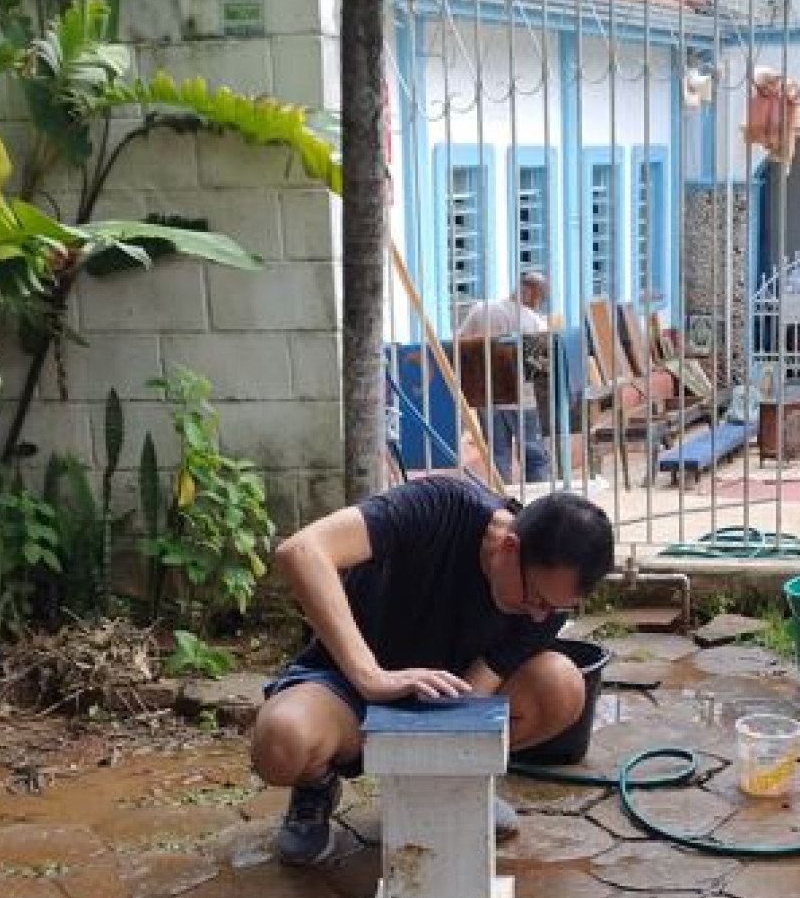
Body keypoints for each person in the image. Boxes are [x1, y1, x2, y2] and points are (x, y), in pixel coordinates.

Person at [250, 477, 616, 865]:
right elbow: (302, 550)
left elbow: (476, 689)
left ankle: (455, 786)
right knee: (280, 740)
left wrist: (451, 750)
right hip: (348, 688)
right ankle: (315, 787)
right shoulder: (439, 505)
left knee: (562, 686)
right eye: (536, 599)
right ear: (510, 548)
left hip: (442, 701)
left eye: (554, 609)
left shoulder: (543, 605)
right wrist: (371, 676)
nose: (540, 615)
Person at [457, 269, 552, 485]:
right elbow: (542, 369)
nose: (539, 303)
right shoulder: (535, 322)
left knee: (498, 454)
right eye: (540, 298)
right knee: (533, 455)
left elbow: (460, 343)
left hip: (486, 395)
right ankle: (535, 503)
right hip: (523, 399)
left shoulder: (481, 310)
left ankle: (503, 501)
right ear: (532, 294)